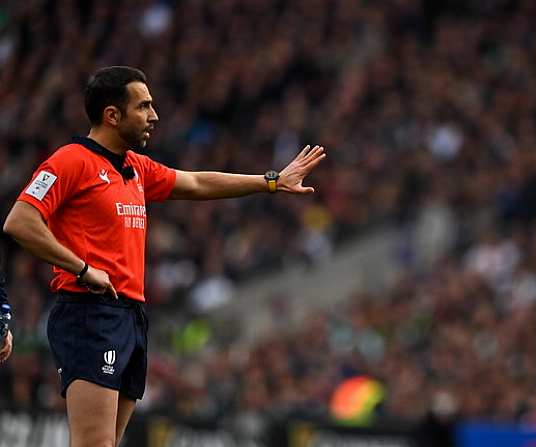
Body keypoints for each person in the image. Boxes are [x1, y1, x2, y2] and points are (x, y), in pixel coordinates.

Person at [2, 66, 325, 447]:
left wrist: (270, 181)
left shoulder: (135, 167)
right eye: (144, 106)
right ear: (112, 115)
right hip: (90, 312)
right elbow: (19, 221)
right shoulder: (72, 161)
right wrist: (82, 268)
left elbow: (196, 182)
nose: (153, 116)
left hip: (131, 316)